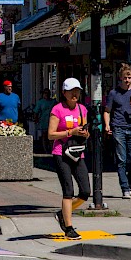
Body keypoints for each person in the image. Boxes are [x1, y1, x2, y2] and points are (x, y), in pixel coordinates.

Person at [48, 78, 90, 241]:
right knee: (68, 191)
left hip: (77, 153)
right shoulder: (57, 110)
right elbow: (51, 134)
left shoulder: (82, 109)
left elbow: (84, 129)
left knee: (85, 191)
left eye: (77, 91)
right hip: (61, 153)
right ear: (64, 93)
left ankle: (62, 214)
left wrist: (85, 133)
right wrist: (69, 132)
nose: (75, 94)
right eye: (72, 91)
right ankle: (69, 227)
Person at [104, 63, 131, 199]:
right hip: (119, 127)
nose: (127, 80)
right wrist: (107, 125)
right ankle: (125, 188)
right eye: (124, 78)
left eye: (129, 77)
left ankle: (130, 181)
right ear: (120, 78)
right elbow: (107, 111)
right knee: (121, 159)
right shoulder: (113, 93)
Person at [33, 89, 57, 153]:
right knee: (44, 135)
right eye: (45, 93)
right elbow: (36, 111)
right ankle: (45, 149)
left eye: (48, 93)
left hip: (52, 120)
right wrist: (36, 119)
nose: (46, 94)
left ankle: (52, 149)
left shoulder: (53, 102)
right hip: (43, 120)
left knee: (52, 135)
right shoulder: (40, 102)